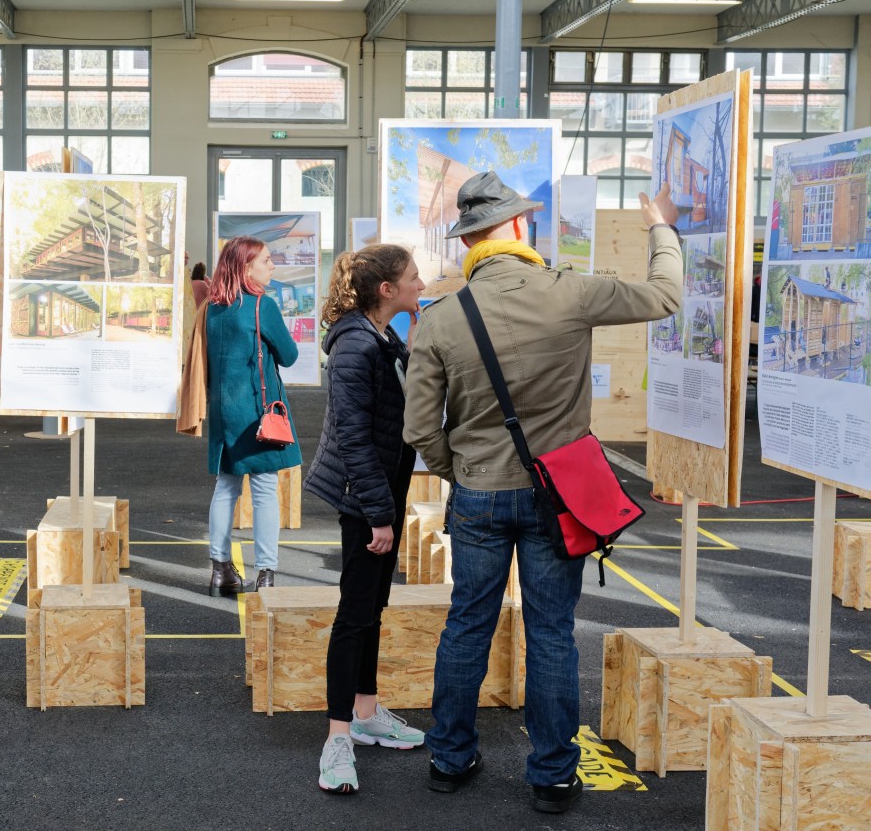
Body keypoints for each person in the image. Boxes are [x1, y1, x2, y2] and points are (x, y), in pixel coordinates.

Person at [404, 172, 682, 814]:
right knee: (552, 631)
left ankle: (449, 758)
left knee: (467, 623)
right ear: (520, 227)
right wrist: (660, 228)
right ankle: (553, 775)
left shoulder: (442, 318)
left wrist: (458, 468)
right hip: (559, 496)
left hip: (477, 492)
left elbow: (419, 426)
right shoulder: (569, 292)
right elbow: (666, 296)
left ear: (469, 238)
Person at [305, 244, 427, 795]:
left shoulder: (380, 333)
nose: (420, 283)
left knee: (373, 607)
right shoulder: (356, 345)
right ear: (386, 290)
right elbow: (354, 437)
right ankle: (337, 738)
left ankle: (367, 710)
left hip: (383, 493)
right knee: (354, 614)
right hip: (365, 498)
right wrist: (380, 515)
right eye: (412, 278)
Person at [202, 236, 300, 594]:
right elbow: (288, 356)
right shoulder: (263, 306)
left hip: (224, 413)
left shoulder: (213, 308)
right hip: (259, 413)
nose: (272, 265)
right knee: (264, 493)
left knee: (225, 489)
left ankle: (219, 570)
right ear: (246, 267)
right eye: (267, 260)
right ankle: (266, 574)